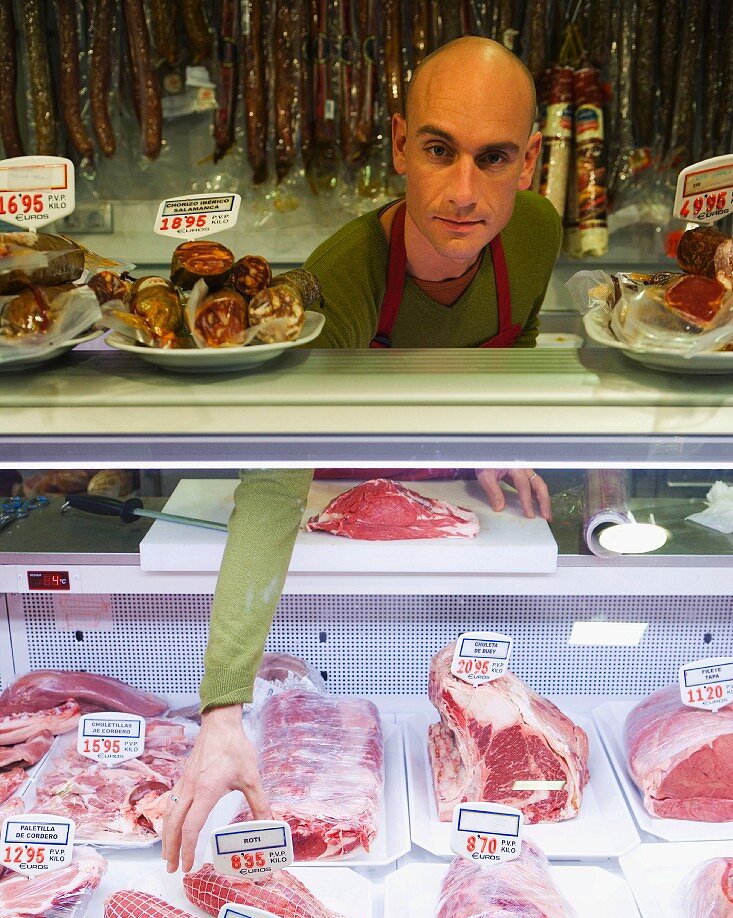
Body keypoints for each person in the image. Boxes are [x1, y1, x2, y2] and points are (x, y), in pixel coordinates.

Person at [162, 36, 560, 873]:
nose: (462, 191)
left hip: (446, 524)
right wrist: (225, 708)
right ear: (397, 145)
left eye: (492, 159)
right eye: (438, 150)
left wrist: (497, 438)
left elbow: (509, 341)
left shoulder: (535, 234)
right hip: (327, 511)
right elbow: (274, 486)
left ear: (529, 162)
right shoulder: (342, 277)